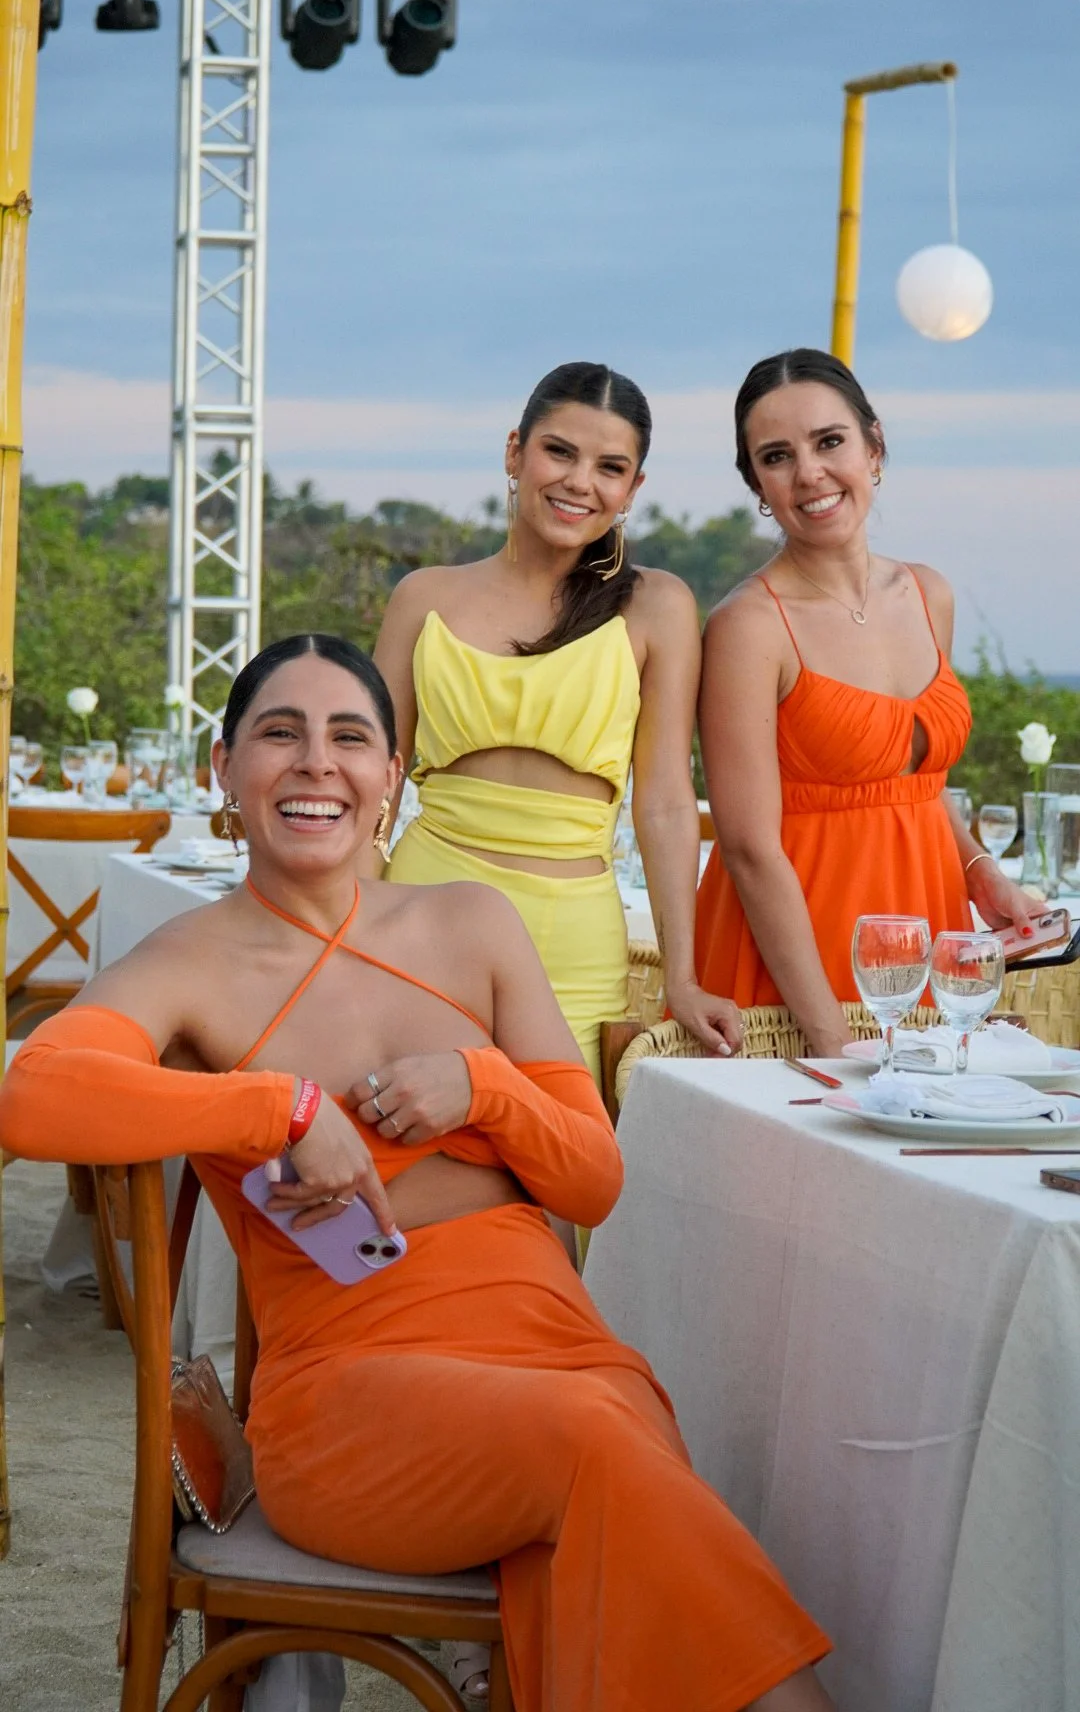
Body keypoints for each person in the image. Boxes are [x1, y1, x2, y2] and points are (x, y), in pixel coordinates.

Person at [0, 634, 832, 1712]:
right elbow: (34, 1094)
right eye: (279, 735)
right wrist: (282, 1107)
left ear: (391, 778)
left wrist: (482, 1085)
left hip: (554, 1345)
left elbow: (591, 1182)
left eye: (351, 737)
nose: (315, 764)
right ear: (223, 768)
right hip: (349, 1388)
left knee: (608, 1454)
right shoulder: (193, 962)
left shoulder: (468, 923)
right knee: (600, 1454)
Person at [373, 360, 742, 1081]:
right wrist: (338, 931)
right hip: (420, 912)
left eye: (610, 467)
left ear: (633, 490)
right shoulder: (422, 598)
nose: (580, 482)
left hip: (571, 935)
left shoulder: (657, 607)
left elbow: (666, 802)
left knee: (557, 1164)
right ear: (515, 452)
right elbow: (373, 791)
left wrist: (683, 976)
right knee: (408, 1147)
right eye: (560, 451)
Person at [695, 348, 1042, 1058]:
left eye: (829, 442)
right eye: (777, 456)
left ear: (874, 446)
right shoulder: (748, 628)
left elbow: (916, 788)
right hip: (798, 962)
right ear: (756, 483)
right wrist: (826, 1032)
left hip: (923, 936)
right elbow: (749, 848)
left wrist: (983, 874)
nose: (810, 474)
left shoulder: (927, 594)